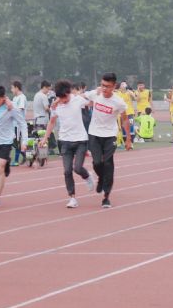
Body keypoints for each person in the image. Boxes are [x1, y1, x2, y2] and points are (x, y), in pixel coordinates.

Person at [40, 80, 95, 208]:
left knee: (78, 168)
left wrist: (84, 95)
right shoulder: (56, 106)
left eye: (65, 97)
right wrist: (45, 138)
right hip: (64, 141)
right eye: (61, 98)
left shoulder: (77, 100)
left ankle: (87, 176)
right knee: (67, 171)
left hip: (80, 140)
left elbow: (92, 102)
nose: (64, 100)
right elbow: (52, 122)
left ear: (69, 93)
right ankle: (72, 198)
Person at [85, 73, 131, 208]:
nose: (104, 88)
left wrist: (128, 139)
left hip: (110, 135)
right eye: (102, 85)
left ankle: (106, 197)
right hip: (94, 134)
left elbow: (124, 119)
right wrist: (58, 101)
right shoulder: (95, 94)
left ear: (114, 86)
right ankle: (101, 178)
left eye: (107, 86)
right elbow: (78, 97)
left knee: (108, 163)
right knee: (97, 162)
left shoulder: (118, 102)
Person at [0, 85, 26, 208]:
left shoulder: (12, 107)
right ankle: (6, 162)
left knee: (0, 167)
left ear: (3, 98)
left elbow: (22, 124)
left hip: (6, 141)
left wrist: (24, 141)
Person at [10, 81, 27, 166]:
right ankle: (24, 154)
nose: (11, 90)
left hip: (19, 124)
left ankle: (16, 160)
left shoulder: (22, 97)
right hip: (13, 124)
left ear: (16, 88)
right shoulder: (14, 98)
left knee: (16, 142)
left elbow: (20, 109)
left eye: (12, 88)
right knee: (13, 142)